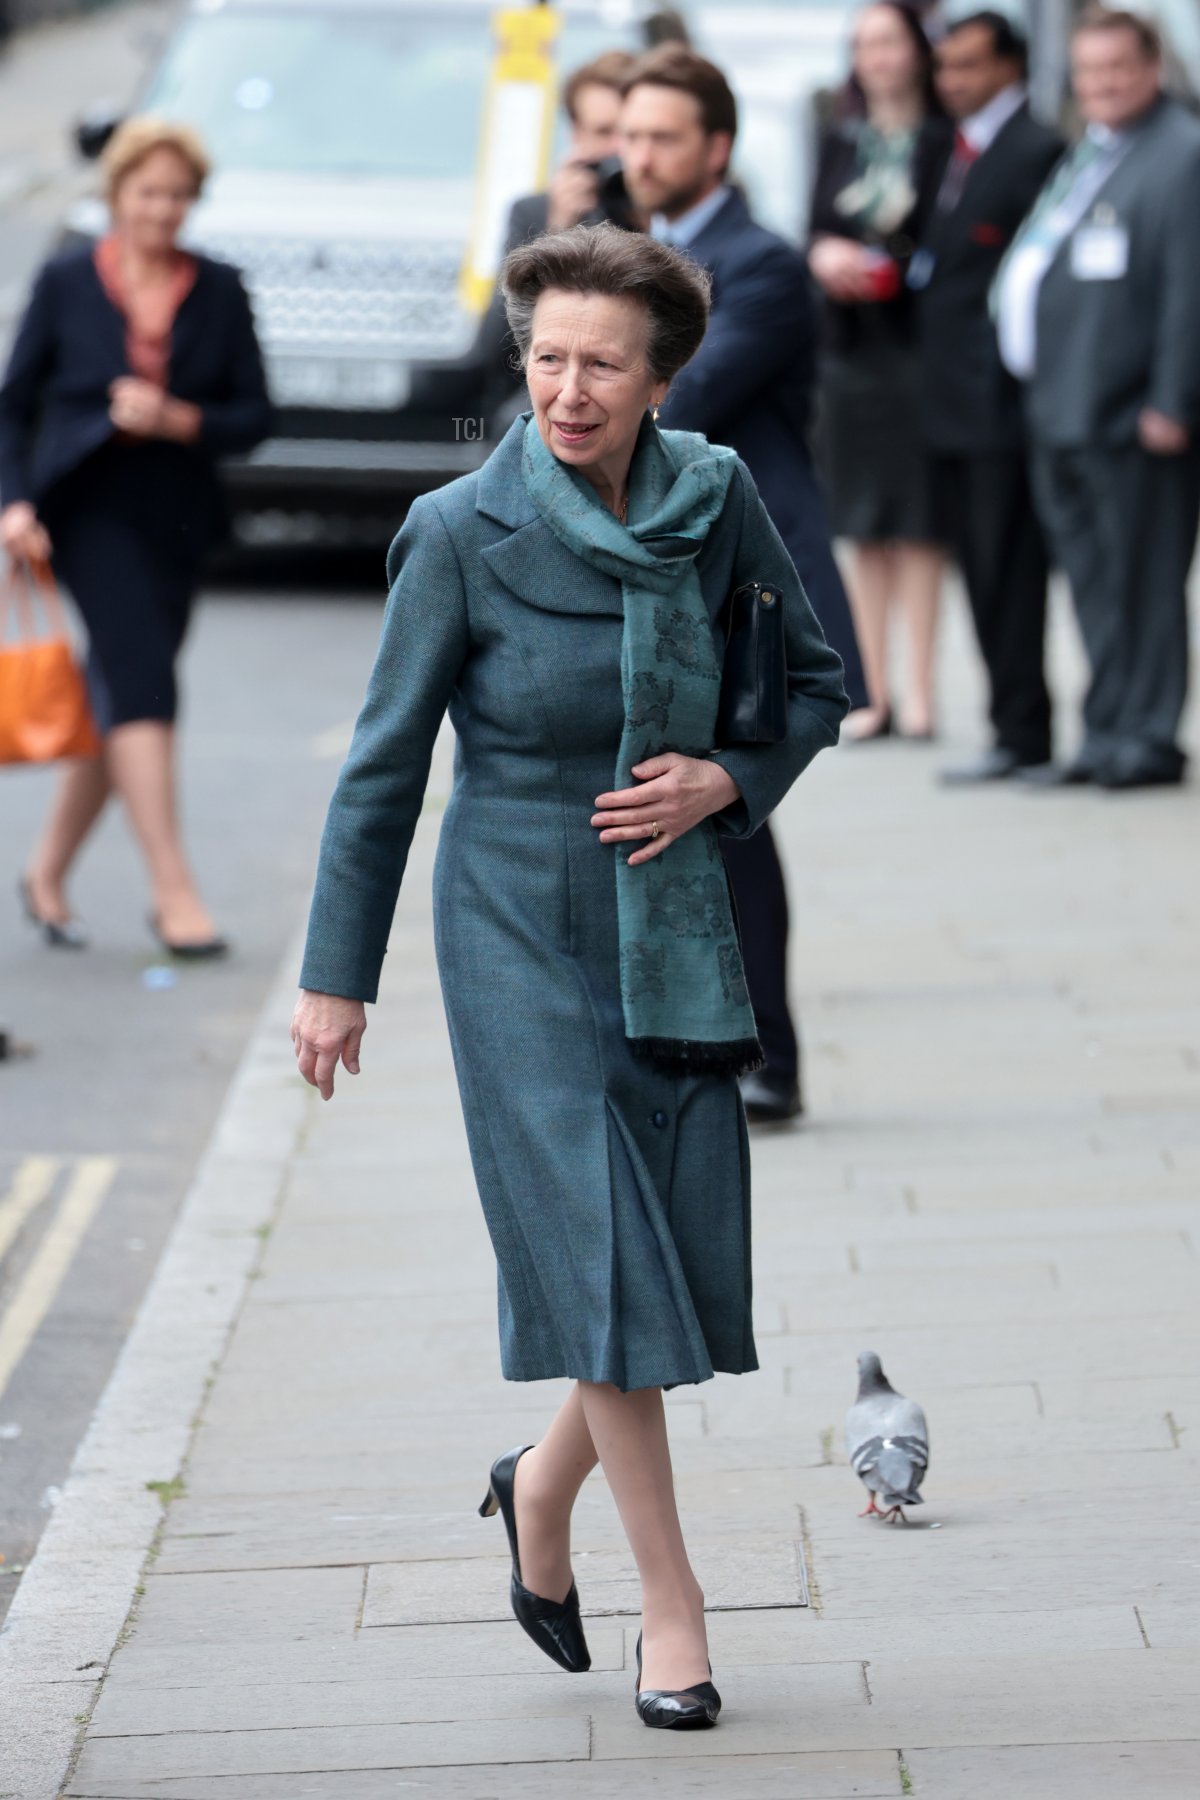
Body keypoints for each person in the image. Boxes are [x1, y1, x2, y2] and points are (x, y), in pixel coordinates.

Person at [291, 224, 846, 1727]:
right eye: (547, 358)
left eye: (604, 362)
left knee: (659, 1260)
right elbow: (382, 772)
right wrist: (337, 978)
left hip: (669, 920)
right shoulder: (461, 530)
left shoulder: (715, 499)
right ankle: (677, 1609)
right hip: (510, 926)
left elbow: (813, 686)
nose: (569, 389)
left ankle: (536, 1491)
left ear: (661, 375)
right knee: (604, 1263)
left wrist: (723, 784)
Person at [619, 43, 867, 1123]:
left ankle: (771, 1054)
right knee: (664, 802)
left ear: (716, 147)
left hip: (747, 591)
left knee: (733, 809)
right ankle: (689, 1034)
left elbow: (681, 401)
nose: (639, 155)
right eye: (629, 135)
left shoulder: (758, 263)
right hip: (652, 577)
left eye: (661, 137)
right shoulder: (625, 255)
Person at [0, 118, 270, 952]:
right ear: (115, 194)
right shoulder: (67, 280)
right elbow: (12, 405)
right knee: (144, 683)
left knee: (120, 692)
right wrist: (13, 505)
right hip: (84, 509)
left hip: (177, 512)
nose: (162, 209)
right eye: (147, 192)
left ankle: (45, 874)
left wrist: (177, 417)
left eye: (178, 195)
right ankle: (173, 891)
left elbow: (256, 416)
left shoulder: (220, 288)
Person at [994, 7, 1200, 790]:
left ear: (1153, 67)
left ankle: (1148, 737)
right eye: (1089, 71)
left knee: (1143, 584)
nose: (1103, 83)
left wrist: (1174, 402)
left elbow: (1190, 291)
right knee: (1093, 585)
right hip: (1064, 408)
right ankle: (1107, 732)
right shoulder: (1094, 152)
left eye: (1117, 67)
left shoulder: (1181, 155)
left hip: (1133, 415)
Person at [916, 12, 1064, 784]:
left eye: (970, 65)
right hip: (947, 401)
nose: (954, 80)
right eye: (946, 66)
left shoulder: (1038, 149)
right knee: (977, 567)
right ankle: (1012, 726)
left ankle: (1025, 732)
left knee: (1009, 569)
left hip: (999, 403)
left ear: (1012, 65)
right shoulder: (953, 148)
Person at [809, 1, 951, 741]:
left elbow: (943, 238)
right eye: (864, 43)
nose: (877, 56)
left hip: (915, 349)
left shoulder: (940, 137)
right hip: (849, 352)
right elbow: (815, 225)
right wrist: (827, 255)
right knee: (861, 524)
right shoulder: (839, 135)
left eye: (889, 41)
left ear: (917, 49)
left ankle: (922, 690)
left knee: (920, 524)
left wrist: (889, 266)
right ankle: (872, 687)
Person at [475, 51, 640, 432]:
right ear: (576, 138)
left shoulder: (672, 210)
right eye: (603, 133)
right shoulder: (537, 213)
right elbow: (495, 347)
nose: (620, 151)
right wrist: (556, 234)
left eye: (629, 133)